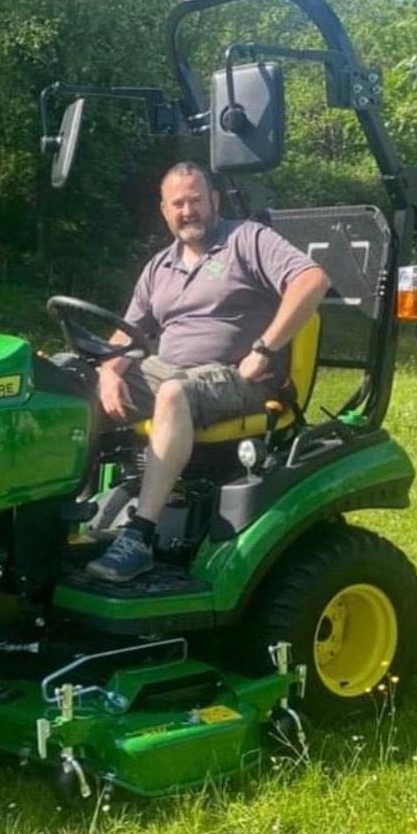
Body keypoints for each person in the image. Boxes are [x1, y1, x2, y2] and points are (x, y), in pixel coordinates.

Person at [85, 162, 329, 582]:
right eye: (178, 203)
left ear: (214, 200)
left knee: (175, 393)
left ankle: (138, 537)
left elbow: (312, 280)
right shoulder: (159, 267)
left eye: (196, 200)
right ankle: (66, 509)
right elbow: (128, 333)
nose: (188, 211)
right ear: (164, 210)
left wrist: (264, 348)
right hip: (171, 369)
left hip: (242, 378)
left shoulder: (246, 240)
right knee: (69, 381)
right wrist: (108, 372)